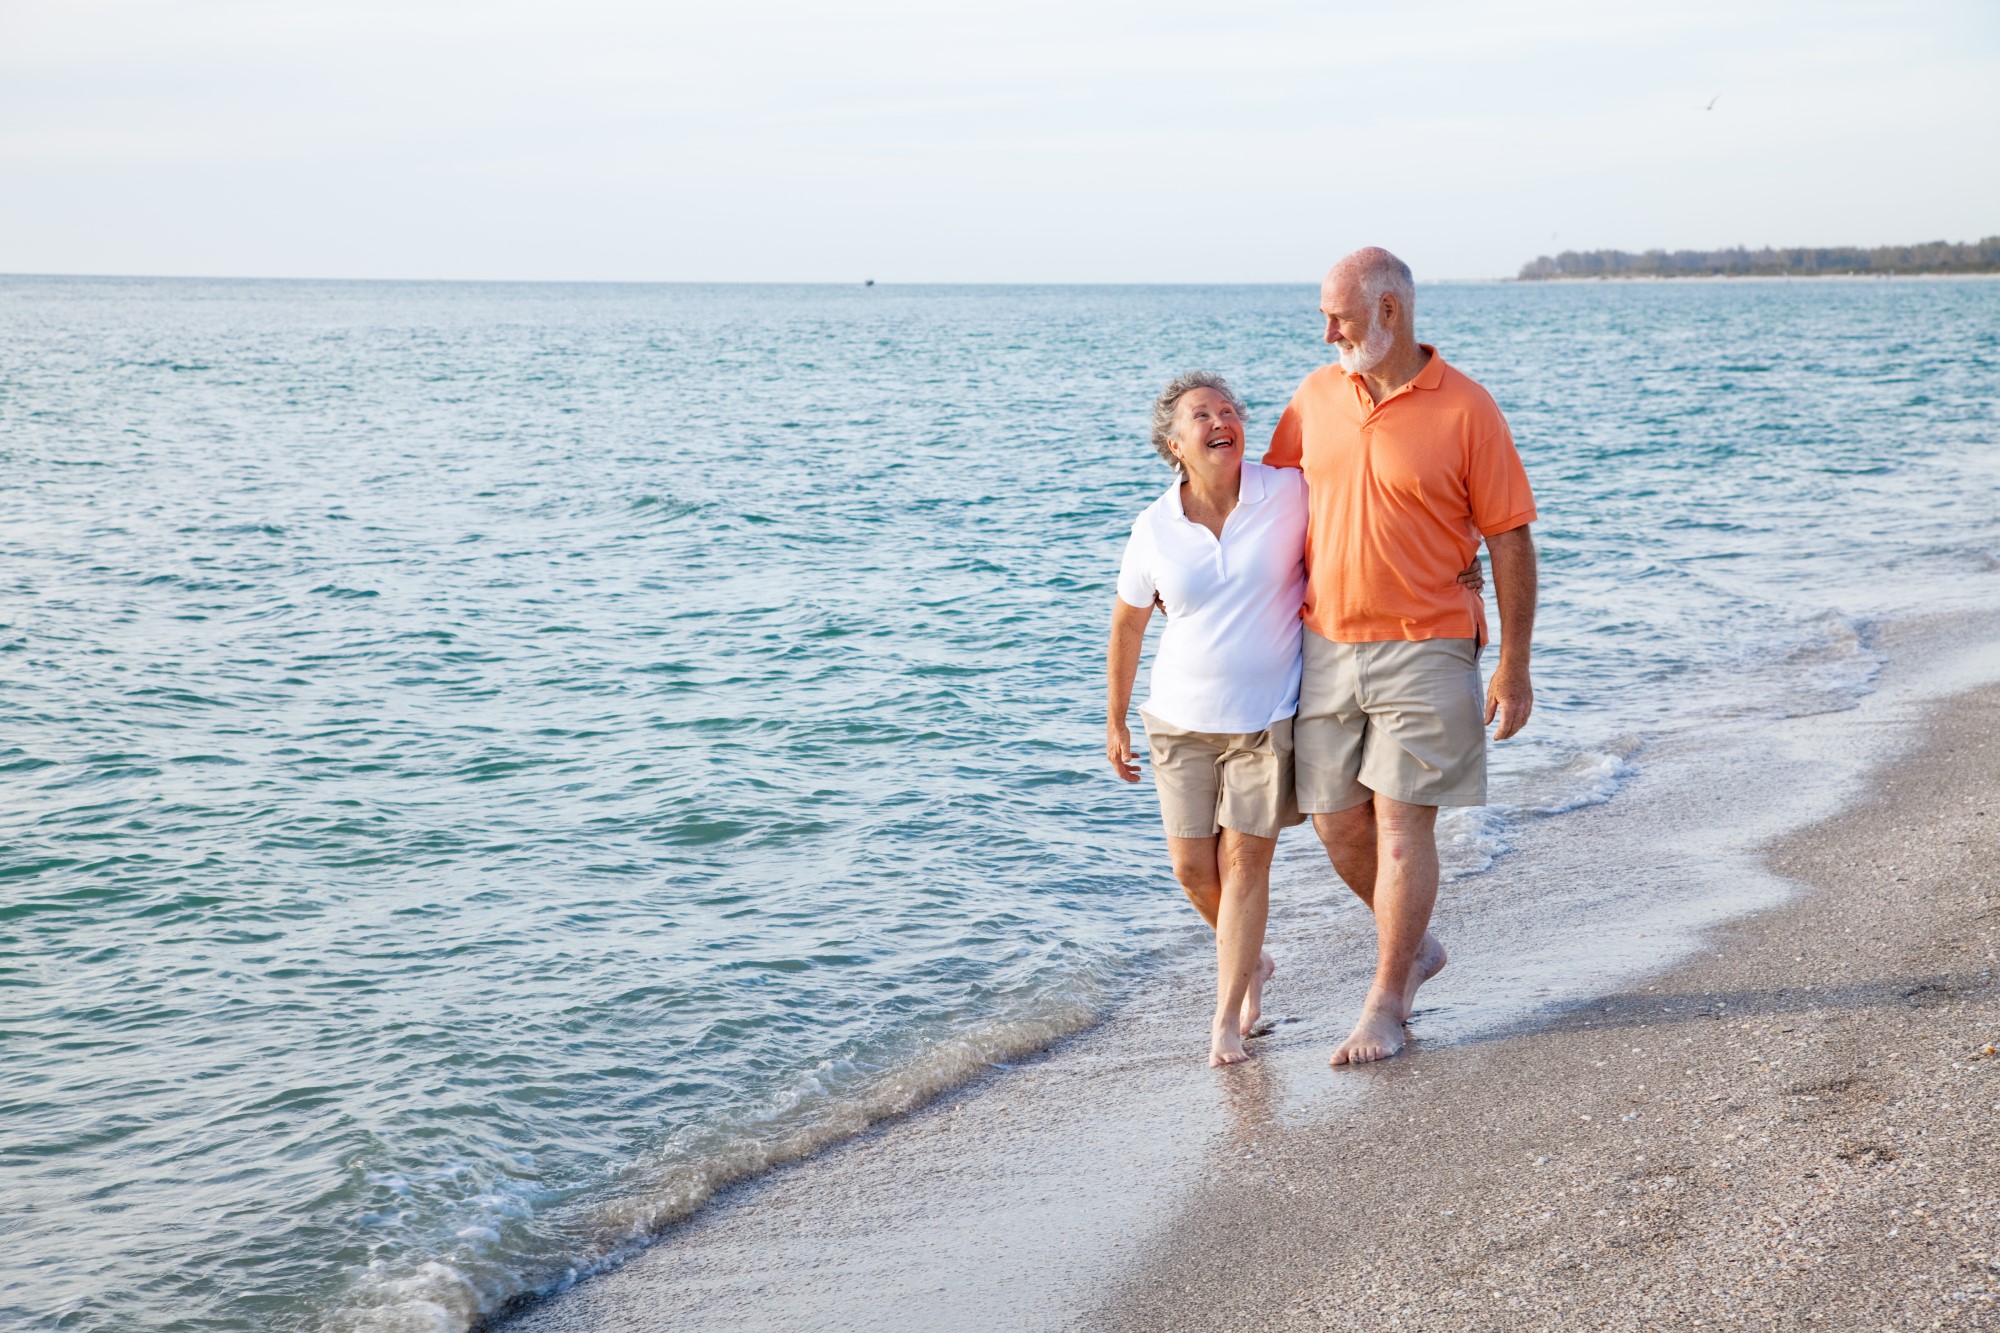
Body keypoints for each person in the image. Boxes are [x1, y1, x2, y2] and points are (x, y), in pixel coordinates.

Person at [1105, 370, 1484, 1067]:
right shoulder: (1154, 527)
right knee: (1194, 866)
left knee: (1246, 860)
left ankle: (1226, 1020)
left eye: (1230, 410)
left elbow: (1375, 506)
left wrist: (1462, 562)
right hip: (1177, 719)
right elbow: (1128, 625)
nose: (1222, 420)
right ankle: (1250, 959)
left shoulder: (1286, 490)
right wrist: (1116, 719)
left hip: (1267, 718)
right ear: (1172, 442)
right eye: (1201, 414)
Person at [1264, 246, 1539, 1067]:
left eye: (1337, 316)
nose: (1325, 332)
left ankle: (1386, 1001)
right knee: (1333, 818)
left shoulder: (1467, 409)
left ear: (1390, 311)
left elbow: (1510, 539)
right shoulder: (1315, 398)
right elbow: (1264, 502)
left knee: (1398, 825)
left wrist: (1514, 664)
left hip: (1430, 641)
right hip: (1326, 641)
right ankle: (1413, 944)